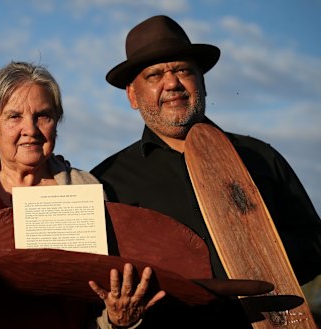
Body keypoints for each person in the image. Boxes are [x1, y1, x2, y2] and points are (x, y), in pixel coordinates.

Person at [91, 15, 321, 327]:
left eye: (182, 70)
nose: (172, 83)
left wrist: (261, 254)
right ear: (133, 95)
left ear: (202, 81)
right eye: (155, 75)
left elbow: (315, 243)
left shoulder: (260, 157)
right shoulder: (108, 181)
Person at [0, 61, 165, 329]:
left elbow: (105, 293)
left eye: (43, 115)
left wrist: (117, 319)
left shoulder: (85, 190)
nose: (30, 129)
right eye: (14, 116)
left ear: (56, 122)